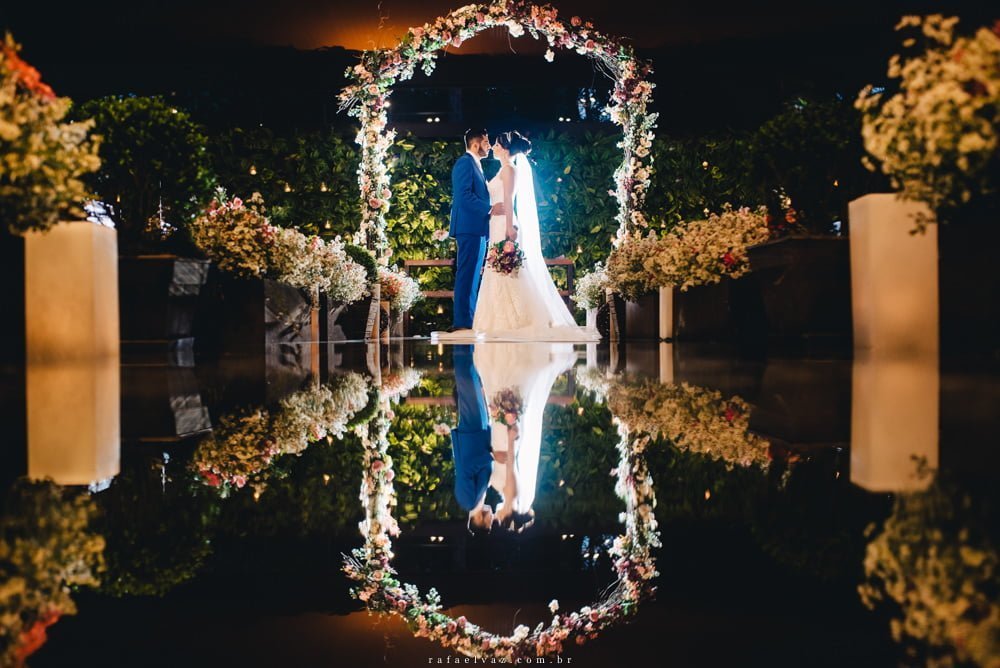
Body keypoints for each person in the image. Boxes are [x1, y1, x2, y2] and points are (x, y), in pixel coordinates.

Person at [472, 131, 600, 342]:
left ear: (505, 149)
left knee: (508, 268)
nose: (493, 147)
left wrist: (510, 227)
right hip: (496, 223)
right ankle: (500, 317)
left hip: (504, 223)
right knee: (500, 268)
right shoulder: (503, 169)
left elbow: (508, 200)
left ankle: (517, 318)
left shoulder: (509, 169)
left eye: (496, 144)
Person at [444, 129, 505, 335]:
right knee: (466, 273)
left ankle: (468, 319)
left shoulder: (475, 164)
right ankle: (461, 321)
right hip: (468, 227)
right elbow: (464, 196)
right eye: (486, 142)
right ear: (476, 144)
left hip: (476, 228)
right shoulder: (465, 163)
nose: (489, 146)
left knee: (472, 274)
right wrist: (489, 209)